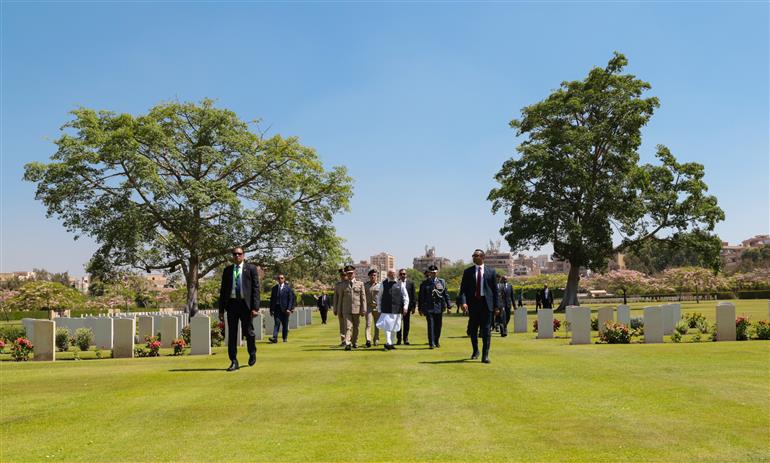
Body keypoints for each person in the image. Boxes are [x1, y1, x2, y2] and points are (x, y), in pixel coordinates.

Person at [218, 246, 260, 371]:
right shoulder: (227, 270)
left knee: (249, 332)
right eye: (234, 254)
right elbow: (223, 291)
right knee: (232, 334)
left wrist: (255, 307)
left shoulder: (251, 269)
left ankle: (252, 352)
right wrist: (221, 310)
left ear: (243, 255)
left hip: (245, 305)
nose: (237, 256)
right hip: (231, 304)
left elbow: (256, 289)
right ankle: (233, 361)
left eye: (239, 254)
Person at [458, 249, 500, 364]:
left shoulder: (491, 272)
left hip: (486, 304)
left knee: (486, 330)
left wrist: (497, 306)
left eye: (476, 255)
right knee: (472, 329)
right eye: (473, 255)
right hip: (473, 304)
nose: (474, 257)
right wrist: (463, 302)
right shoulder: (468, 272)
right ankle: (475, 350)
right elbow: (463, 290)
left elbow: (495, 291)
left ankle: (485, 355)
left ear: (482, 257)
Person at [333, 265, 367, 350]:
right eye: (348, 273)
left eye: (351, 273)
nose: (349, 275)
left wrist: (364, 309)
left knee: (356, 327)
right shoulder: (342, 285)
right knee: (348, 327)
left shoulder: (360, 284)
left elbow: (363, 298)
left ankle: (354, 342)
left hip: (357, 309)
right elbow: (339, 298)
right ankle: (348, 343)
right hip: (346, 309)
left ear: (354, 273)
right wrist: (337, 309)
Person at [419, 265, 451, 348]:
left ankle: (436, 341)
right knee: (431, 325)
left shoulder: (441, 282)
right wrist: (420, 308)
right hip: (429, 308)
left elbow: (445, 294)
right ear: (429, 273)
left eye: (435, 272)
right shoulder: (425, 283)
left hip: (439, 307)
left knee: (438, 326)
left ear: (437, 272)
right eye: (432, 272)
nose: (433, 274)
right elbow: (421, 297)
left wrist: (449, 306)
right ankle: (431, 343)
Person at [376, 269, 409, 350]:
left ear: (396, 274)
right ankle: (388, 342)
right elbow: (379, 297)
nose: (392, 275)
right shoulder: (383, 283)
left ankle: (392, 343)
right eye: (390, 273)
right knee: (388, 326)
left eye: (393, 273)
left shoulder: (400, 283)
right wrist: (379, 308)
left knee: (395, 327)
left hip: (397, 309)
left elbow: (405, 296)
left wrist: (405, 307)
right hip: (386, 309)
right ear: (388, 274)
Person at [268, 274, 296, 343]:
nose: (280, 279)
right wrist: (271, 310)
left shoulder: (288, 288)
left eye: (281, 278)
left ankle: (284, 338)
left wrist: (289, 309)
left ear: (284, 279)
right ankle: (274, 338)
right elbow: (272, 300)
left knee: (285, 325)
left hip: (285, 309)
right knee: (277, 323)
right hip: (277, 308)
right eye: (279, 278)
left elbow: (290, 299)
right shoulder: (274, 288)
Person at [396, 269, 416, 345]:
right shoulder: (396, 283)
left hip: (407, 307)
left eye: (404, 274)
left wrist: (413, 307)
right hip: (398, 307)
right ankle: (399, 339)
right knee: (398, 323)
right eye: (401, 274)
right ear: (399, 275)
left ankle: (405, 339)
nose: (402, 275)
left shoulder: (411, 283)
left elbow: (413, 295)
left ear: (406, 275)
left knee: (406, 323)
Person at [363, 269, 380, 347]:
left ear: (377, 276)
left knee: (377, 325)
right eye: (371, 275)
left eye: (374, 275)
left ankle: (376, 339)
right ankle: (368, 340)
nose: (373, 277)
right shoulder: (365, 285)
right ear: (369, 276)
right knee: (368, 324)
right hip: (368, 307)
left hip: (377, 307)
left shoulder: (380, 285)